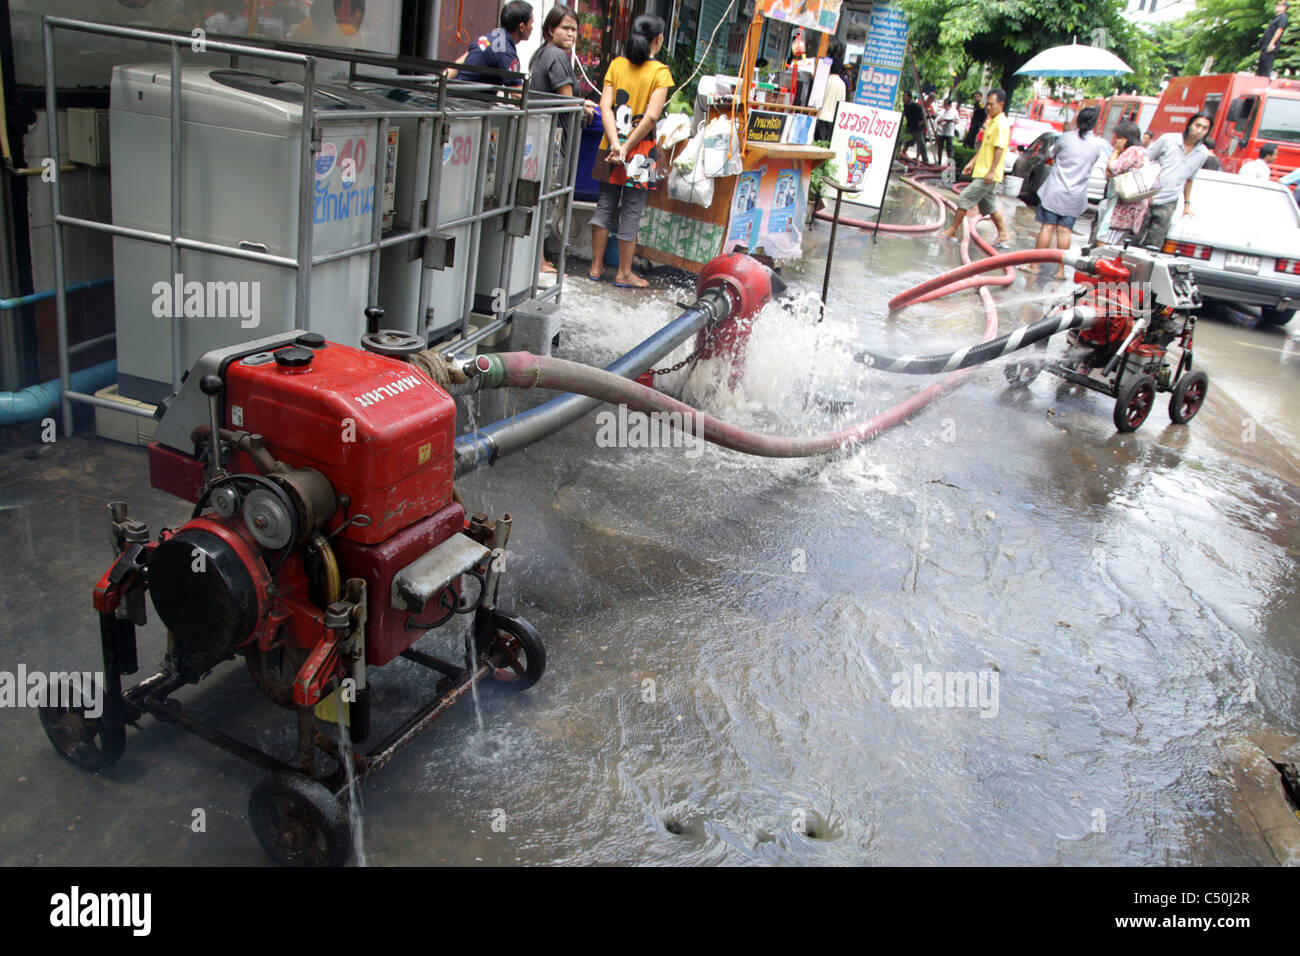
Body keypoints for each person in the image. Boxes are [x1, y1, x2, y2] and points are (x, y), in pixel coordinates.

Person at [589, 15, 673, 288]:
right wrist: (626, 147)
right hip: (640, 151)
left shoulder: (616, 65)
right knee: (631, 211)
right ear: (658, 39)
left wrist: (615, 143)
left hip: (608, 146)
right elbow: (650, 118)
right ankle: (624, 273)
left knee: (605, 205)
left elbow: (605, 107)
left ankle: (595, 267)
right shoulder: (660, 72)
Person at [530, 4, 597, 275]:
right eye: (565, 28)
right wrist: (584, 105)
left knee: (541, 198)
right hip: (550, 138)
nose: (571, 34)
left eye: (574, 29)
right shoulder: (557, 57)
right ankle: (540, 261)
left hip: (539, 135)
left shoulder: (543, 54)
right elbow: (567, 101)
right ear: (550, 30)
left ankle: (538, 258)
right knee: (546, 200)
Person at [1032, 107, 1110, 278]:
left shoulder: (1066, 138)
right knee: (1064, 231)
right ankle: (1060, 271)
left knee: (1047, 227)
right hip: (1075, 195)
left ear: (1077, 120)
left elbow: (1052, 153)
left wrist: (1067, 133)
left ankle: (1035, 265)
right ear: (1094, 124)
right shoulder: (1098, 144)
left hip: (1055, 192)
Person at [939, 88, 1011, 244]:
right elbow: (985, 148)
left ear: (1001, 104)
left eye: (992, 105)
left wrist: (991, 172)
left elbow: (999, 149)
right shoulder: (992, 122)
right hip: (983, 172)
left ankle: (952, 231)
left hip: (987, 175)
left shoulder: (1002, 124)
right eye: (987, 105)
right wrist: (971, 163)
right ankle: (1003, 233)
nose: (988, 108)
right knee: (990, 206)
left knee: (964, 198)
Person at [1139, 112, 1211, 251]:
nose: (1199, 130)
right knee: (1134, 238)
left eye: (1204, 128)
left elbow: (1190, 179)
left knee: (1154, 245)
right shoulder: (1168, 140)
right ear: (1190, 125)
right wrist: (1150, 184)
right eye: (1197, 125)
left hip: (1169, 202)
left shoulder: (1202, 153)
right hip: (1146, 196)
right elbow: (1145, 159)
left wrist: (1187, 204)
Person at [454, 1, 534, 86]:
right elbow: (517, 94)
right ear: (521, 27)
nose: (532, 28)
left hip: (453, 96)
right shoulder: (505, 51)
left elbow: (455, 66)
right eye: (531, 23)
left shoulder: (486, 39)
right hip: (469, 98)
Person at [1099, 121, 1151, 246]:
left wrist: (1116, 151)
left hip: (1124, 207)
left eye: (1118, 138)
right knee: (1118, 244)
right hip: (1135, 205)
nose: (1116, 141)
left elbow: (1113, 168)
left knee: (1105, 241)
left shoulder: (1133, 151)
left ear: (1124, 138)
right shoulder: (1143, 151)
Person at [815, 61, 847, 142]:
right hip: (833, 118)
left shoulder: (825, 80)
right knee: (826, 144)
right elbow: (842, 102)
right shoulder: (842, 84)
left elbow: (817, 98)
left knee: (817, 142)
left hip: (821, 115)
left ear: (830, 69)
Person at [1258, 0, 1289, 77]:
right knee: (1261, 69)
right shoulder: (1277, 18)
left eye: (1279, 5)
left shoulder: (1283, 17)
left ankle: (1266, 86)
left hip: (1270, 47)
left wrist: (1272, 43)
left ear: (1284, 7)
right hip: (1265, 47)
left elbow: (1280, 30)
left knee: (1266, 69)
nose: (1277, 6)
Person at [901, 91, 929, 163]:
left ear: (909, 97)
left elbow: (924, 115)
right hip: (910, 126)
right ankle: (902, 154)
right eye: (903, 96)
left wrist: (922, 122)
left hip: (917, 128)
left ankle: (925, 160)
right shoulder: (905, 105)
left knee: (920, 143)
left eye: (905, 96)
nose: (903, 98)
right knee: (907, 141)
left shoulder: (915, 106)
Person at [936, 99, 959, 163]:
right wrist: (943, 120)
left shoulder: (954, 112)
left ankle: (949, 162)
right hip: (941, 132)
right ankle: (939, 161)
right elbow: (937, 121)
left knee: (949, 149)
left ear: (950, 105)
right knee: (940, 148)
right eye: (944, 104)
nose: (945, 106)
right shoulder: (941, 112)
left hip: (950, 133)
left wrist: (952, 121)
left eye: (946, 104)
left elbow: (957, 121)